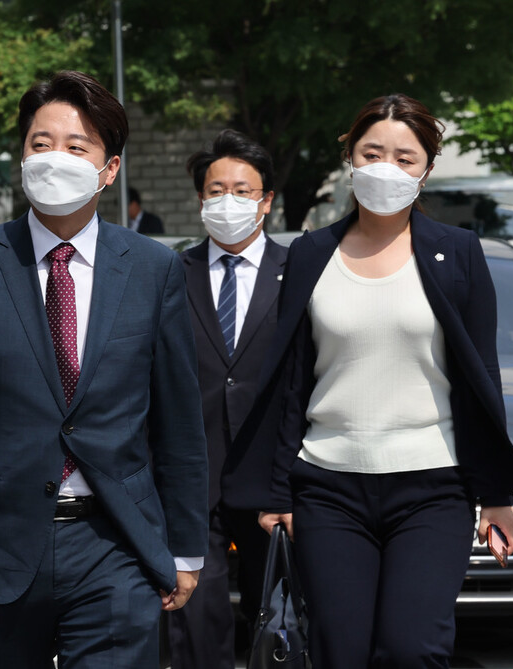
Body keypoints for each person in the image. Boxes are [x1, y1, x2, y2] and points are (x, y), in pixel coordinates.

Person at [0, 70, 209, 668]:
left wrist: (186, 548)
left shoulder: (152, 269)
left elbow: (178, 421)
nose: (53, 158)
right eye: (40, 143)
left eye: (75, 146)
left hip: (115, 542)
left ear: (109, 169)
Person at [256, 94, 513, 668]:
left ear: (427, 170)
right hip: (329, 486)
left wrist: (497, 495)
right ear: (351, 158)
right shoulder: (311, 253)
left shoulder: (458, 252)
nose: (387, 167)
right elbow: (292, 378)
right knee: (341, 652)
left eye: (405, 158)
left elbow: (480, 373)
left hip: (434, 487)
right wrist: (276, 491)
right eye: (372, 152)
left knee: (413, 649)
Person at [169, 129, 284, 668]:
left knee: (279, 623)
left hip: (275, 482)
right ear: (200, 200)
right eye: (216, 190)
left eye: (242, 191)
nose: (228, 202)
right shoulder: (171, 274)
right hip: (194, 479)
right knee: (195, 624)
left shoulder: (300, 272)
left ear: (266, 201)